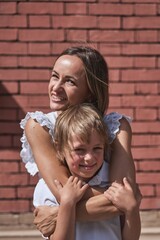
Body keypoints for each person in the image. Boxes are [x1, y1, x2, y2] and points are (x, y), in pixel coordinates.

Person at [20, 46, 141, 239]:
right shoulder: (39, 126)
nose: (56, 87)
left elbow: (123, 197)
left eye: (69, 81)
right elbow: (67, 194)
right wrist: (121, 199)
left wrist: (57, 214)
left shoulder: (116, 127)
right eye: (54, 76)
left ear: (90, 91)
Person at [35, 103, 140, 240]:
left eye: (97, 148)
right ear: (60, 148)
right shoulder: (49, 187)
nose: (89, 158)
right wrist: (67, 203)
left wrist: (132, 210)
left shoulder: (113, 180)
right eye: (79, 150)